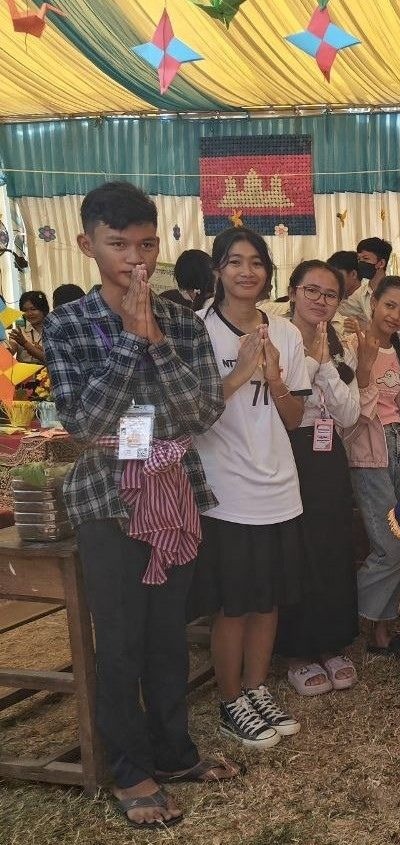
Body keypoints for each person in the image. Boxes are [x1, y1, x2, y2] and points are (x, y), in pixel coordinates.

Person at [43, 181, 235, 829]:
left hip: (175, 492)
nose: (136, 258)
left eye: (147, 243)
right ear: (87, 244)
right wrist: (129, 335)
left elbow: (204, 407)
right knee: (120, 641)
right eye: (118, 244)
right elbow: (84, 417)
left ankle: (174, 750)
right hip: (106, 500)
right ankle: (130, 768)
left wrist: (154, 336)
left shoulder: (181, 318)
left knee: (167, 634)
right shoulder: (68, 323)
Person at [190, 227, 309, 750]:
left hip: (278, 482)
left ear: (267, 272)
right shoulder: (194, 332)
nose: (246, 271)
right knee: (233, 603)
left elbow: (294, 417)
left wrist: (277, 380)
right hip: (224, 488)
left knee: (269, 599)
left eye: (256, 262)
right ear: (217, 270)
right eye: (234, 261)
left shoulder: (285, 332)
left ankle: (257, 689)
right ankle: (229, 699)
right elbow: (189, 416)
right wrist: (239, 373)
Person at [275, 260, 362, 697]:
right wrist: (310, 362)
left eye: (330, 295)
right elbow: (278, 404)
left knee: (332, 546)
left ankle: (331, 643)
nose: (320, 301)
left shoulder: (342, 344)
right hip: (284, 453)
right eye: (312, 291)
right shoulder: (272, 336)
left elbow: (348, 413)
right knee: (294, 550)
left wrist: (327, 363)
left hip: (328, 456)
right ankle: (296, 651)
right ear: (292, 292)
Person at [347, 275, 400, 658]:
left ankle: (382, 635)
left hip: (398, 447)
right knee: (393, 548)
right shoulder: (351, 345)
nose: (395, 315)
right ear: (373, 301)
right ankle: (335, 609)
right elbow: (348, 411)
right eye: (389, 305)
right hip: (368, 452)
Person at [337, 237, 391, 329]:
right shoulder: (361, 293)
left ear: (381, 263)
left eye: (366, 258)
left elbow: (396, 327)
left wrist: (367, 326)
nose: (361, 263)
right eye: (359, 259)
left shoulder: (396, 290)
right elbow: (341, 310)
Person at [7, 290, 49, 363]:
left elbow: (51, 360)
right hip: (24, 373)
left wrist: (24, 343)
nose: (29, 313)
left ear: (44, 309)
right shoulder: (19, 331)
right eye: (25, 310)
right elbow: (9, 354)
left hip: (48, 373)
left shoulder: (54, 330)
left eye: (33, 309)